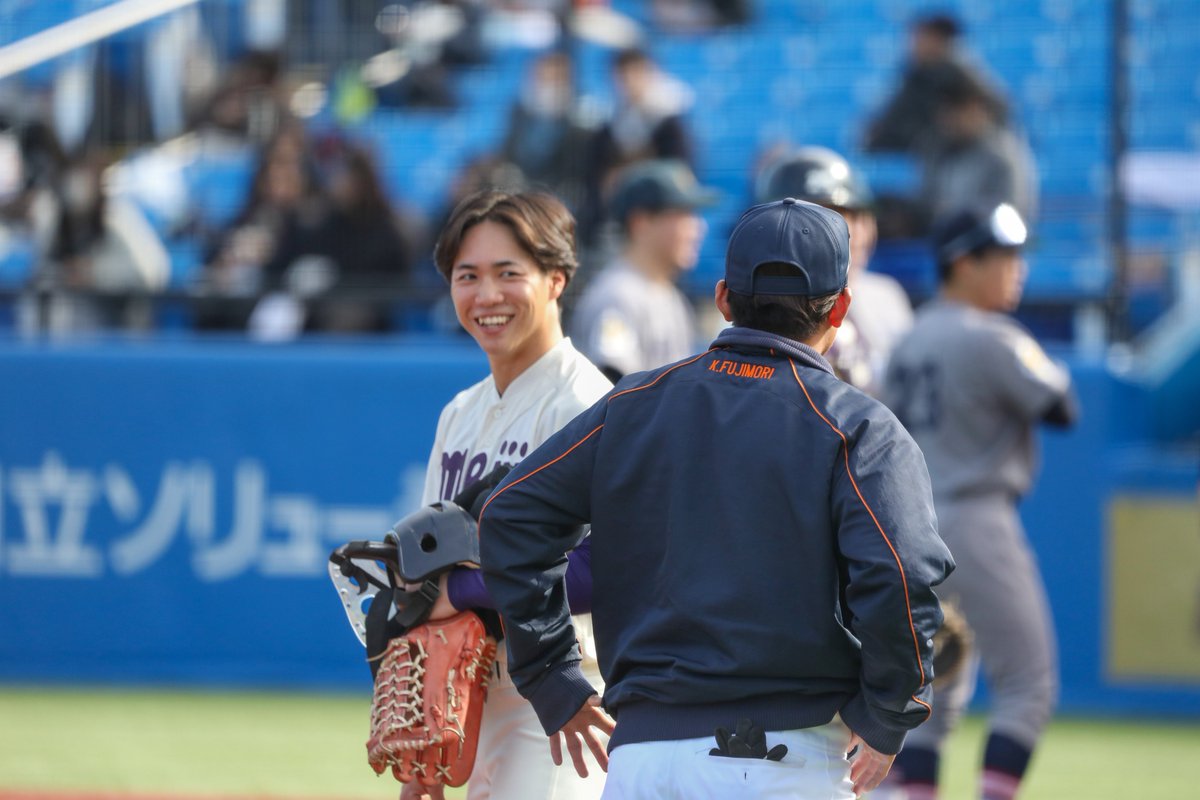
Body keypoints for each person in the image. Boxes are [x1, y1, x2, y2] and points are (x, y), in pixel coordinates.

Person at [479, 197, 955, 799]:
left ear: (725, 298)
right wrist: (892, 711)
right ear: (841, 306)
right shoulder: (857, 426)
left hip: (640, 766)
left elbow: (508, 517)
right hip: (787, 758)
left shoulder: (632, 405)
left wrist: (551, 673)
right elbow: (900, 571)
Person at [402, 189, 613, 800]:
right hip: (471, 699)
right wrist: (424, 741)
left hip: (562, 704)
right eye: (467, 276)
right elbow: (424, 577)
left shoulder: (586, 403)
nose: (486, 296)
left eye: (508, 273)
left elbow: (602, 569)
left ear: (556, 279)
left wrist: (462, 588)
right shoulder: (459, 413)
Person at [880, 203, 1077, 800]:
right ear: (963, 262)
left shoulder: (907, 338)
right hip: (977, 519)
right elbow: (1062, 408)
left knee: (931, 700)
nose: (1016, 269)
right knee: (1027, 686)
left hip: (910, 527)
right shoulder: (991, 335)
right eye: (1003, 256)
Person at [756, 145, 913, 396]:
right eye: (827, 218)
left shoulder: (887, 296)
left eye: (856, 215)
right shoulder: (756, 307)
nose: (853, 232)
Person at [570, 159, 715, 381]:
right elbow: (615, 394)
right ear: (641, 222)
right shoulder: (617, 297)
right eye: (683, 214)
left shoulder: (670, 295)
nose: (697, 228)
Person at [580, 48, 696, 245]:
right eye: (623, 74)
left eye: (637, 72)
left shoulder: (668, 123)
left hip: (658, 218)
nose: (629, 81)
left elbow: (681, 171)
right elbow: (593, 176)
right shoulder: (607, 125)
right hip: (613, 220)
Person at [863, 12, 1008, 157]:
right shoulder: (916, 75)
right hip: (933, 155)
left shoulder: (962, 74)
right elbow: (892, 121)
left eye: (921, 38)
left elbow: (997, 113)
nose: (913, 45)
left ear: (938, 39)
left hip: (969, 155)